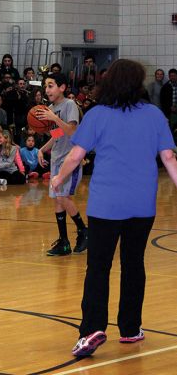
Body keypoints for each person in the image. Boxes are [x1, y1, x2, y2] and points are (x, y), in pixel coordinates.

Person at [51, 59, 177, 357]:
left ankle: (92, 329)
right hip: (142, 205)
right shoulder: (154, 115)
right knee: (134, 265)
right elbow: (169, 159)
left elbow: (75, 155)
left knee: (99, 267)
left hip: (106, 205)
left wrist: (59, 177)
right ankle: (131, 328)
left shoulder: (98, 115)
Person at [37, 73, 88, 255]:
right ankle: (64, 242)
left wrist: (54, 118)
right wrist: (42, 149)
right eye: (45, 86)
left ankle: (83, 231)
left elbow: (72, 132)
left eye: (51, 85)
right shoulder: (51, 108)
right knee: (58, 200)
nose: (47, 89)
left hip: (70, 159)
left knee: (64, 198)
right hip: (56, 158)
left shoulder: (69, 105)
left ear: (62, 87)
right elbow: (58, 134)